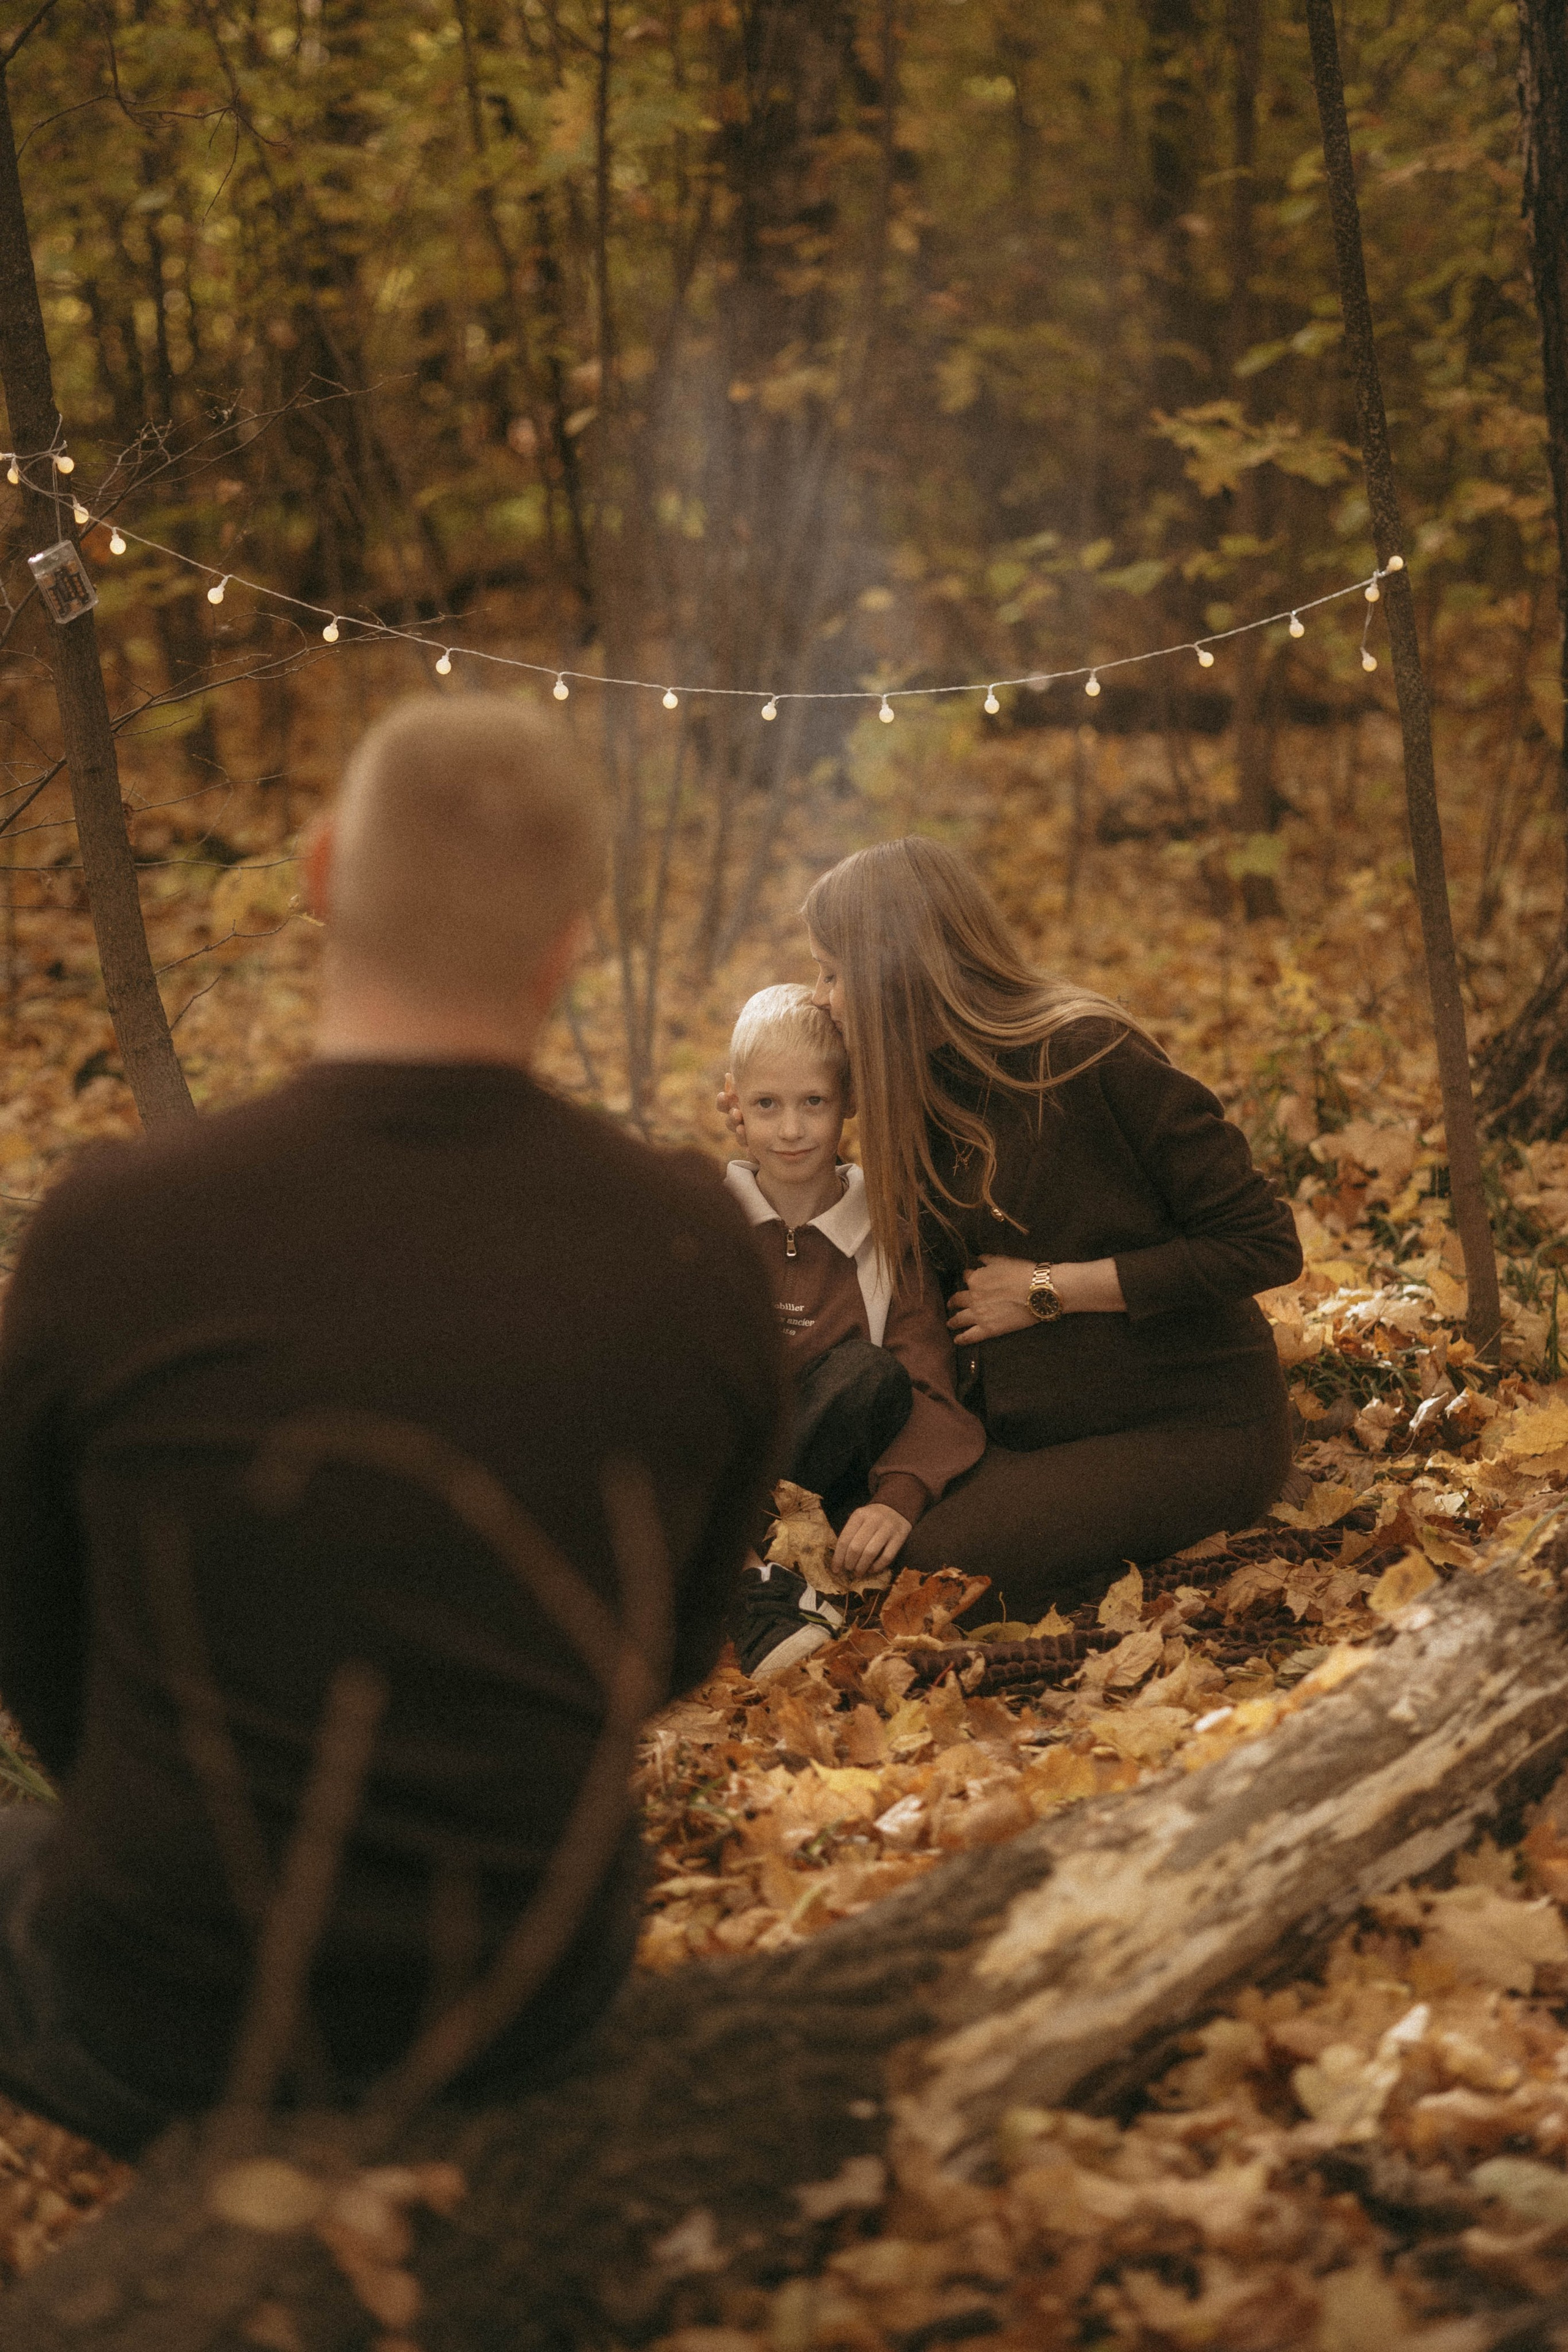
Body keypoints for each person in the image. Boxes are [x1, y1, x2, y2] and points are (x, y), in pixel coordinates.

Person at [0, 693, 784, 2158]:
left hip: (164, 2004)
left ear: (315, 877)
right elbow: (666, 1650)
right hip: (526, 1989)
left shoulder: (113, 1230)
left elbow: (35, 1643)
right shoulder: (690, 1244)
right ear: (566, 939)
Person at [783, 836, 1303, 1618]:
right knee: (858, 1521)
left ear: (897, 971)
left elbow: (1261, 1243)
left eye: (832, 972)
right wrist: (771, 1133)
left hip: (1191, 1423)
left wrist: (1049, 1290)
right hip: (1030, 1424)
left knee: (933, 1575)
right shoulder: (920, 1084)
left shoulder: (1088, 1055)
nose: (821, 996)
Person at [720, 986, 982, 1678]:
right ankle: (756, 1590)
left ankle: (741, 1578)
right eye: (766, 1105)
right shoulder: (704, 1226)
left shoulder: (885, 1237)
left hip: (819, 1483)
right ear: (735, 1107)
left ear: (848, 1105)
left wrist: (899, 1498)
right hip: (714, 1460)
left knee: (867, 1373)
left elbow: (927, 1380)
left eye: (814, 1102)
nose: (791, 1130)